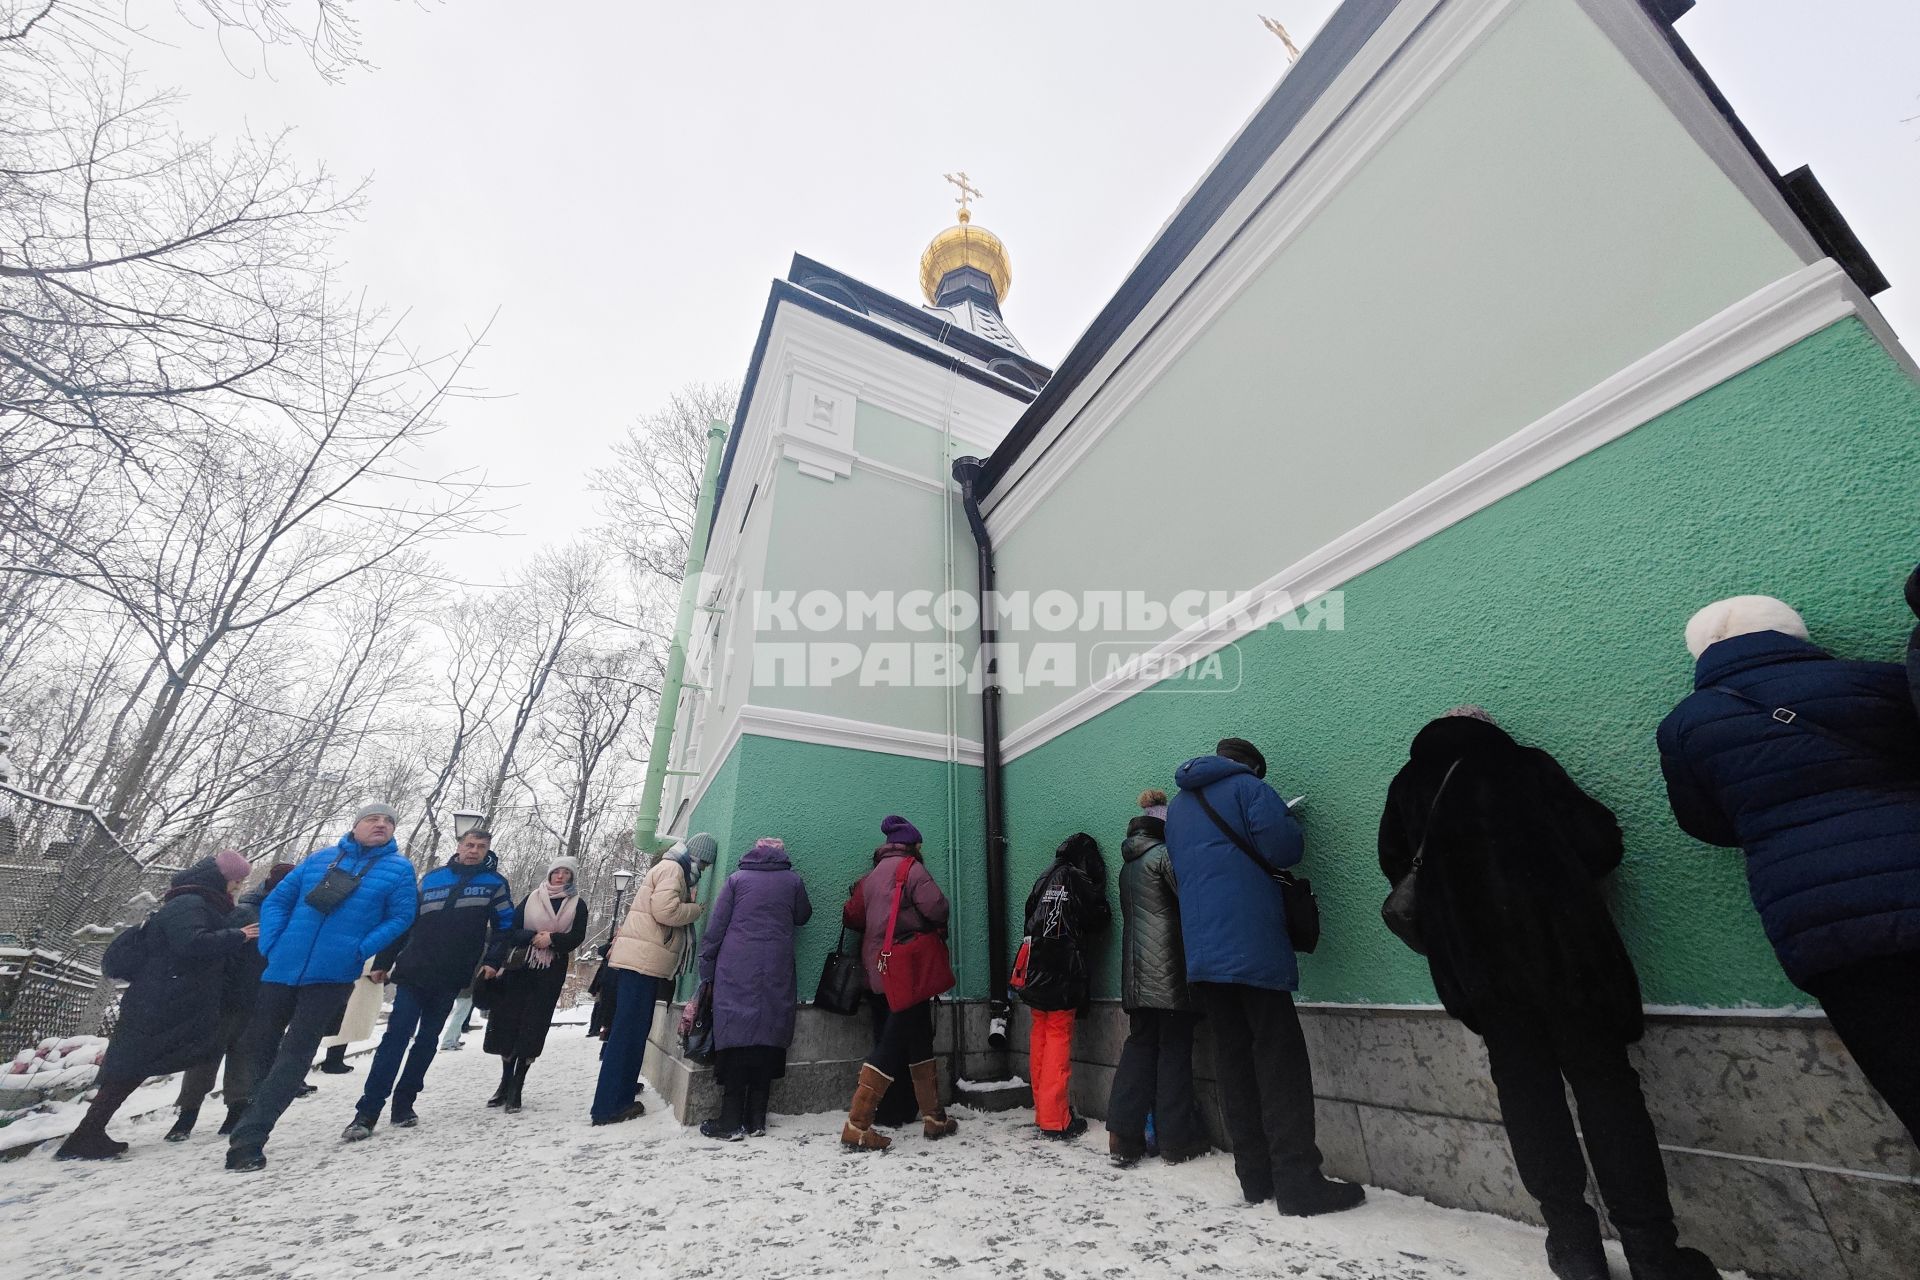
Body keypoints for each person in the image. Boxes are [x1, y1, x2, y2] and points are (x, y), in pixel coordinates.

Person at [1384, 707, 1717, 1280]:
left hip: (1485, 979)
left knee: (1527, 1098)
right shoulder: (1524, 766)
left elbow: (1396, 870)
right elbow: (1600, 844)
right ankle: (1652, 1250)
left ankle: (1572, 1245)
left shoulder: (1408, 787)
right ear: (1487, 729)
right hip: (1567, 966)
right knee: (1608, 1092)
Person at [1659, 594, 1920, 1145]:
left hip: (1821, 926)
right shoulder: (1880, 680)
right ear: (1791, 634)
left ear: (1701, 652)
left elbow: (1704, 823)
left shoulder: (1685, 726)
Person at [1167, 737, 1362, 1216]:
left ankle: (1255, 1178)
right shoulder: (1251, 790)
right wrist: (1289, 819)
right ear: (1252, 766)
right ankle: (1298, 1182)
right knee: (1280, 1061)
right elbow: (1284, 849)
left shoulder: (1177, 807)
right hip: (1252, 946)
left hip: (1204, 954)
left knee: (1235, 1062)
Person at [226, 802, 417, 1173]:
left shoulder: (398, 869)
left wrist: (360, 950)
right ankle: (253, 1109)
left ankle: (251, 1136)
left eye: (388, 821)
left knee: (296, 1052)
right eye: (372, 819)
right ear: (356, 825)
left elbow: (402, 916)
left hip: (332, 975)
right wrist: (273, 943)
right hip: (282, 967)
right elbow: (280, 899)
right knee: (258, 1044)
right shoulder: (320, 859)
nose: (380, 824)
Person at [57, 853, 258, 1159]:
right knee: (130, 1068)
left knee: (132, 1068)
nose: (238, 887)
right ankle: (85, 1136)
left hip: (165, 998)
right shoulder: (189, 903)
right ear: (220, 878)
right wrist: (237, 936)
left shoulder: (196, 902)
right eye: (236, 880)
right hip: (159, 1000)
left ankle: (88, 1133)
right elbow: (190, 944)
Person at [342, 828, 519, 1140]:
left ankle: (404, 1104)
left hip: (452, 973)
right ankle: (367, 1111)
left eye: (480, 846)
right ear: (459, 846)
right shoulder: (432, 878)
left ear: (487, 850)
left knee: (426, 1041)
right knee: (395, 1038)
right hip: (414, 969)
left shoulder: (494, 884)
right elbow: (406, 920)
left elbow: (505, 926)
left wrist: (493, 961)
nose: (473, 851)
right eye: (469, 845)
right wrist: (384, 959)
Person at [839, 814, 958, 1151]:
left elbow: (856, 916)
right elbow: (937, 908)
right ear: (912, 845)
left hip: (878, 967)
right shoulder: (910, 870)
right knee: (892, 1042)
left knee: (919, 1037)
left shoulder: (873, 876)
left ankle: (934, 1117)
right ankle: (857, 1124)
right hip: (907, 970)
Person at [1107, 789, 1206, 1168]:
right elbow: (1190, 899)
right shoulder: (1164, 856)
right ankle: (1178, 1141)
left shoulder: (1128, 863)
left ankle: (1123, 1136)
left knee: (1140, 1047)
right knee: (1175, 1049)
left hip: (1136, 975)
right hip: (1168, 972)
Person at [166, 859, 293, 1142]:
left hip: (261, 997)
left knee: (244, 1056)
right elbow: (224, 953)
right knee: (207, 1056)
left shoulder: (289, 914)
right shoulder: (248, 912)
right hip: (230, 996)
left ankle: (235, 1110)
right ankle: (187, 1114)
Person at [591, 835, 714, 1125]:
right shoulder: (673, 870)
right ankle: (609, 1106)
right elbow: (666, 911)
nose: (705, 870)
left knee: (630, 1031)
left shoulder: (670, 867)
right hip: (641, 963)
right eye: (705, 863)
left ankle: (619, 1093)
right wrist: (697, 910)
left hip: (641, 961)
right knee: (628, 1033)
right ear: (696, 857)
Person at [696, 836, 813, 1139]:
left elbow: (716, 927)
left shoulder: (737, 879)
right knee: (767, 1035)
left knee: (736, 1035)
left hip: (736, 966)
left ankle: (730, 1120)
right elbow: (803, 916)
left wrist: (706, 970)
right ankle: (757, 1119)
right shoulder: (793, 880)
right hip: (776, 964)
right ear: (781, 854)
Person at [1016, 831, 1111, 1140]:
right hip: (1063, 968)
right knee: (1058, 1036)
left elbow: (1029, 915)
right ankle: (1056, 1119)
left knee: (1040, 1035)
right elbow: (1097, 917)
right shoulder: (1075, 878)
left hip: (1036, 968)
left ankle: (1043, 1111)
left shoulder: (1045, 876)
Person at [483, 856, 589, 1114]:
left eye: (566, 873)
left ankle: (517, 1087)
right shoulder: (532, 898)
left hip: (549, 973)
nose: (560, 876)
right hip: (519, 968)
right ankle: (504, 1082)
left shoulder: (578, 905)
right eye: (557, 872)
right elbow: (512, 930)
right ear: (550, 874)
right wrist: (533, 937)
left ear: (572, 877)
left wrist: (552, 939)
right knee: (509, 1023)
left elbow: (576, 937)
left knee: (533, 1026)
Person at [316, 959, 384, 1072]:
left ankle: (335, 1059)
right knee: (344, 1024)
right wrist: (379, 968)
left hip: (360, 982)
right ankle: (333, 1061)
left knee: (347, 1025)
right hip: (357, 982)